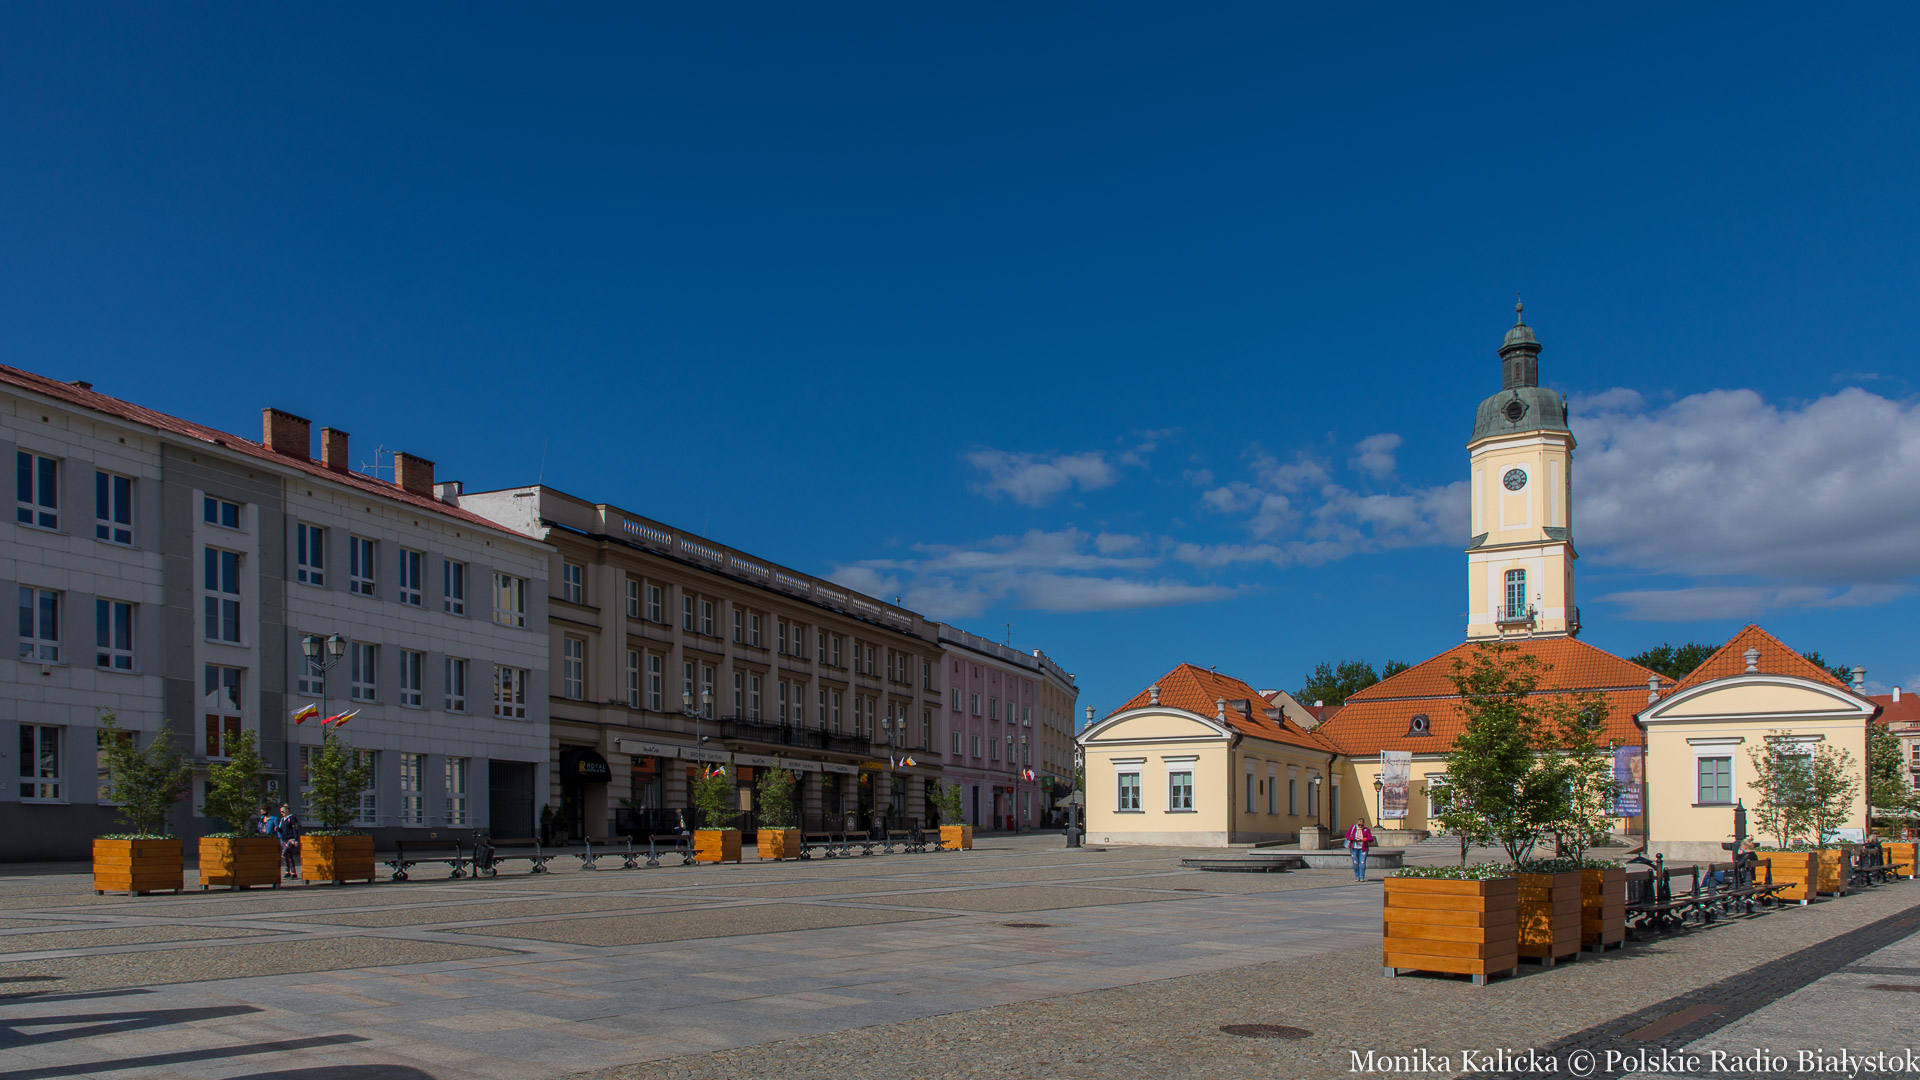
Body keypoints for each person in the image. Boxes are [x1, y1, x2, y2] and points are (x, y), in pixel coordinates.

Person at [273, 802, 302, 879]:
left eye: (283, 811)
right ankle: (290, 872)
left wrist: (296, 840)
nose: (281, 813)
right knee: (289, 855)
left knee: (284, 853)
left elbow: (295, 829)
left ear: (287, 810)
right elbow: (282, 830)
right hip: (285, 839)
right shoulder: (282, 820)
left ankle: (291, 872)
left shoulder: (292, 818)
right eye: (281, 812)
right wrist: (278, 829)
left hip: (291, 839)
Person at [1345, 817, 1375, 881]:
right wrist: (1352, 839)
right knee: (1355, 862)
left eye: (1362, 825)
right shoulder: (1353, 828)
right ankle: (1357, 876)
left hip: (1363, 848)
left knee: (1362, 862)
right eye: (1359, 825)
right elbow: (1346, 835)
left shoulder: (1366, 830)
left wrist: (1366, 839)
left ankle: (1362, 876)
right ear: (1357, 824)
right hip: (1354, 848)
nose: (1360, 826)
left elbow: (1371, 839)